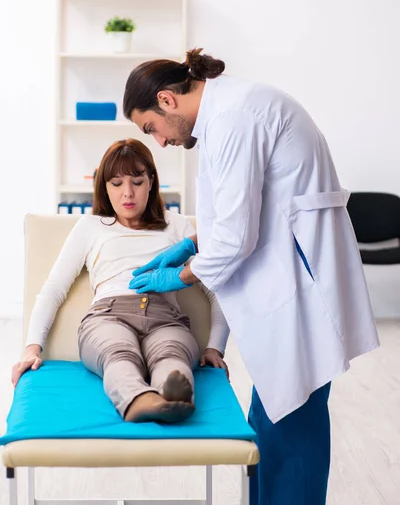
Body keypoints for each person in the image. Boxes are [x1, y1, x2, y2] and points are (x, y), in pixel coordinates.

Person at [122, 48, 379, 504]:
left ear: (166, 100)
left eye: (151, 129)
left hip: (301, 278)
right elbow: (237, 210)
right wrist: (194, 243)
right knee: (270, 414)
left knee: (292, 416)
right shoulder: (223, 116)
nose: (158, 142)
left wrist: (180, 275)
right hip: (287, 271)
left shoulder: (235, 117)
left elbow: (238, 234)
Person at [11, 138, 229, 424]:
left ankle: (175, 397)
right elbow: (54, 288)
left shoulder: (177, 225)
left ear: (151, 181)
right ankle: (139, 400)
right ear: (104, 186)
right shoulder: (90, 227)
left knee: (172, 354)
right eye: (116, 183)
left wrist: (215, 347)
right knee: (118, 353)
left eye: (137, 182)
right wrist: (31, 347)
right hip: (108, 317)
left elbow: (216, 287)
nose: (128, 193)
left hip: (167, 318)